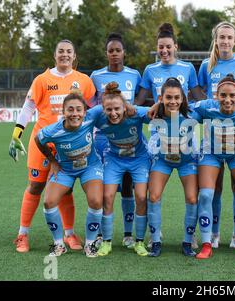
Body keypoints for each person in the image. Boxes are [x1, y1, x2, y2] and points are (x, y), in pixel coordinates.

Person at [9, 39, 96, 253]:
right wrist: (16, 134)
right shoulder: (42, 80)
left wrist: (95, 136)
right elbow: (28, 107)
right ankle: (22, 235)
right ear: (54, 55)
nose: (65, 54)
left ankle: (69, 234)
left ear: (74, 56)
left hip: (68, 145)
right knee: (36, 186)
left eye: (69, 51)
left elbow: (92, 111)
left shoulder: (83, 81)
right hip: (42, 143)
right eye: (61, 51)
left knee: (65, 190)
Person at [198, 21, 235, 249]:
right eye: (221, 37)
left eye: (229, 38)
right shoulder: (206, 65)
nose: (225, 41)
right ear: (216, 39)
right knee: (215, 186)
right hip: (212, 131)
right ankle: (213, 233)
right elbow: (200, 93)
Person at [192, 74, 235, 260]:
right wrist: (158, 106)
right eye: (223, 95)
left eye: (232, 95)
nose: (227, 100)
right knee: (206, 194)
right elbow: (180, 107)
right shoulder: (206, 106)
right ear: (216, 95)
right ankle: (208, 242)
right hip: (211, 153)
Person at [34, 90, 103, 257]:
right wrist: (52, 161)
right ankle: (59, 244)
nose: (75, 114)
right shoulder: (53, 131)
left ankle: (90, 243)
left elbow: (108, 105)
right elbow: (38, 139)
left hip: (90, 167)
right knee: (49, 202)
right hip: (65, 169)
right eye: (70, 110)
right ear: (63, 112)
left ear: (84, 112)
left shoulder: (91, 117)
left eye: (79, 109)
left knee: (95, 200)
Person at [90, 33, 142, 249]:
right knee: (105, 187)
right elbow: (93, 106)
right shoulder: (96, 76)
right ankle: (103, 234)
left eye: (117, 50)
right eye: (110, 50)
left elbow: (138, 102)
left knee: (129, 185)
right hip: (103, 139)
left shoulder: (135, 75)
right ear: (106, 53)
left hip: (129, 138)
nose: (114, 54)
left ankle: (128, 234)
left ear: (123, 53)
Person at [91, 82, 151, 258]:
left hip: (139, 159)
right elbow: (80, 117)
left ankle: (139, 241)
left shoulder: (135, 113)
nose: (113, 113)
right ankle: (107, 242)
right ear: (103, 109)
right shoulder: (98, 116)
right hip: (114, 159)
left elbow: (157, 115)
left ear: (124, 107)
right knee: (107, 196)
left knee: (141, 197)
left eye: (117, 109)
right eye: (108, 110)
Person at [147, 77, 199, 257]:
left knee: (192, 199)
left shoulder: (193, 113)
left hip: (187, 162)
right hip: (163, 161)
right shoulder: (154, 115)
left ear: (183, 98)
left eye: (177, 97)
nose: (173, 101)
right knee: (153, 196)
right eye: (168, 97)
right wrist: (153, 106)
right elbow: (130, 110)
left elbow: (212, 105)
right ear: (161, 98)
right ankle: (155, 240)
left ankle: (188, 241)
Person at [136, 23, 205, 106]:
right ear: (157, 48)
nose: (164, 51)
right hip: (160, 118)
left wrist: (217, 103)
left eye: (168, 47)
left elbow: (198, 97)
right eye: (161, 47)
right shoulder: (150, 70)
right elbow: (139, 101)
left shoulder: (188, 67)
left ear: (175, 47)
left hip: (182, 118)